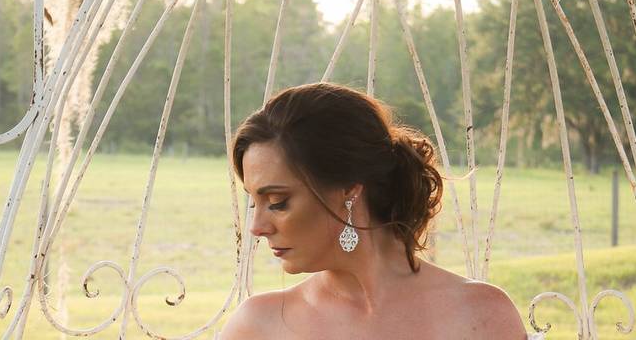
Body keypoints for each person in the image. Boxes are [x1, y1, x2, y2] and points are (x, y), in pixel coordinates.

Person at [220, 82, 530, 339]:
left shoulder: (481, 316)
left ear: (349, 189)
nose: (257, 227)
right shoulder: (256, 327)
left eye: (277, 202)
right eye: (253, 202)